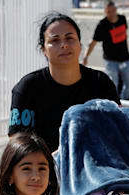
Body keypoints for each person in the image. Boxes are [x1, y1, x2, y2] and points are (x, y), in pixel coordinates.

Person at [11, 12, 120, 153]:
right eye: (54, 40)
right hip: (45, 173)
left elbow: (118, 131)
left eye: (69, 38)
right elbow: (18, 144)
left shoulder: (101, 83)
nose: (63, 45)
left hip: (95, 172)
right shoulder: (27, 88)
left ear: (80, 45)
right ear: (43, 49)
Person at [85, 1, 129, 100]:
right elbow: (93, 42)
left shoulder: (122, 19)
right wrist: (86, 57)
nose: (111, 14)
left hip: (125, 59)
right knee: (113, 85)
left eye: (113, 11)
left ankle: (123, 102)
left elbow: (125, 36)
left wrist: (128, 53)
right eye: (108, 12)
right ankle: (115, 105)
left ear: (116, 10)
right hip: (110, 61)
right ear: (105, 12)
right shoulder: (102, 25)